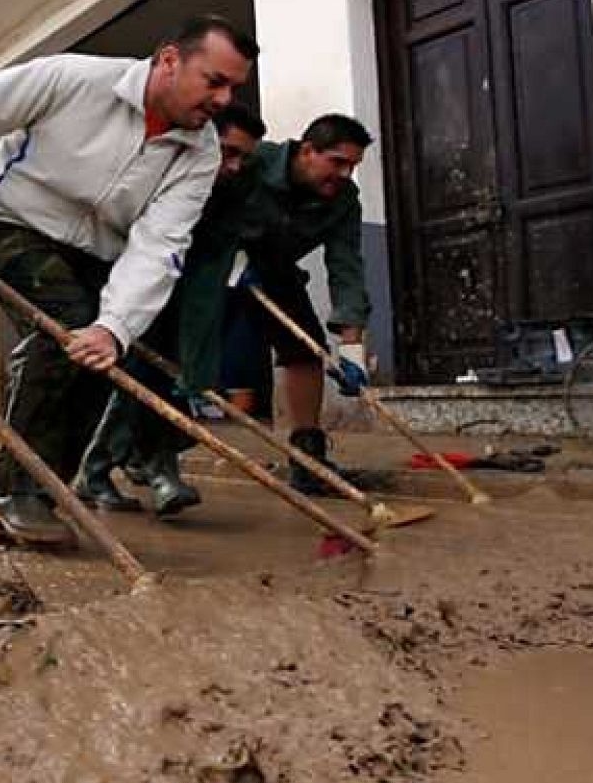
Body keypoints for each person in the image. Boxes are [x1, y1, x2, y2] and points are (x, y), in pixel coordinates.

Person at [0, 16, 258, 546]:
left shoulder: (202, 150)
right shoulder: (74, 78)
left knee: (99, 351)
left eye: (234, 87)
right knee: (67, 325)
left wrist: (115, 327)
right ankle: (16, 494)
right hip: (9, 219)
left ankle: (45, 489)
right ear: (168, 60)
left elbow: (161, 244)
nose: (222, 99)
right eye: (214, 81)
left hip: (99, 250)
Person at [84, 111, 375, 506]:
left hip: (276, 272)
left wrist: (352, 348)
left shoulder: (342, 199)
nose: (343, 174)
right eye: (336, 162)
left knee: (304, 352)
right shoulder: (252, 162)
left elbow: (346, 265)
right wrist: (225, 259)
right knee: (175, 361)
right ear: (307, 151)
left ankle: (308, 457)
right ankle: (116, 459)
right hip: (213, 265)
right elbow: (199, 211)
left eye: (352, 167)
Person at [74, 102, 266, 515]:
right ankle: (134, 471)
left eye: (243, 158)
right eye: (228, 152)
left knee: (166, 380)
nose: (233, 166)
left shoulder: (232, 190)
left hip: (185, 293)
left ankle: (121, 468)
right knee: (138, 379)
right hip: (129, 288)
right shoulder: (154, 170)